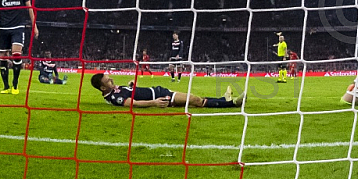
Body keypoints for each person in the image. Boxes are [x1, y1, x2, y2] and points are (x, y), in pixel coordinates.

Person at [91, 73, 245, 109]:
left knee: (193, 98)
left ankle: (223, 99)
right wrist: (155, 102)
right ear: (103, 88)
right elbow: (133, 103)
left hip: (159, 90)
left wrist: (130, 86)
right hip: (161, 96)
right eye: (108, 81)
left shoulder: (112, 91)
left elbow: (126, 93)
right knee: (194, 100)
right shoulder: (114, 98)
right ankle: (232, 104)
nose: (111, 80)